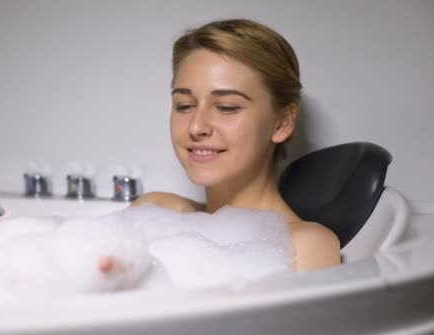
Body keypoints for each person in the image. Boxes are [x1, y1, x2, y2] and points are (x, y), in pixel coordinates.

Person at [131, 19, 340, 271]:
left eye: (227, 107)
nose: (196, 127)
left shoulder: (304, 245)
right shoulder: (156, 210)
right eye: (184, 105)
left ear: (282, 123)